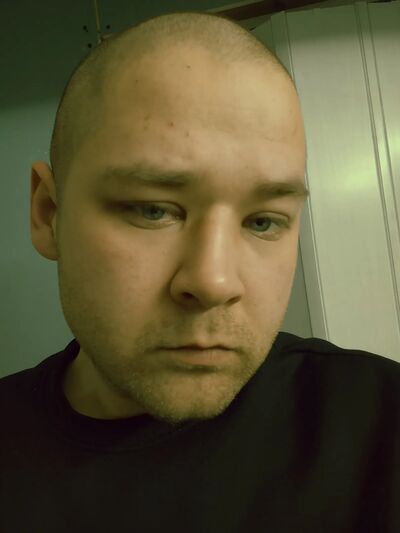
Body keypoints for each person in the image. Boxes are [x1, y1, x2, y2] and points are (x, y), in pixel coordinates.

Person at [1, 10, 399, 533]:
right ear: (48, 213)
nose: (214, 282)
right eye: (153, 210)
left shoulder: (382, 428)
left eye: (262, 221)